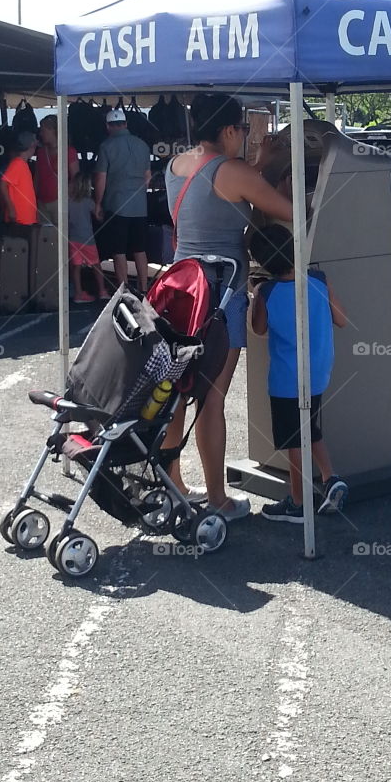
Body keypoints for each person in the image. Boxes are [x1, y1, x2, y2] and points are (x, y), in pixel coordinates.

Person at [161, 93, 294, 520]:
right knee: (211, 399)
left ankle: (174, 486)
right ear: (229, 130)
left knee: (176, 395)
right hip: (221, 297)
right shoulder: (233, 170)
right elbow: (291, 211)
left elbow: (213, 197)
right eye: (243, 130)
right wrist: (267, 165)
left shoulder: (175, 165)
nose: (246, 138)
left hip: (179, 293)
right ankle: (218, 499)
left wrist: (257, 164)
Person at [248, 224, 349, 522]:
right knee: (308, 427)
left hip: (286, 379)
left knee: (294, 439)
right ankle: (330, 478)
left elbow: (258, 329)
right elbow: (342, 319)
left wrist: (255, 294)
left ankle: (298, 501)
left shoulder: (267, 291)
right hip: (318, 371)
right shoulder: (319, 280)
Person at [93, 109, 151, 290]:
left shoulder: (106, 146)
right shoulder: (143, 145)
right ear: (126, 124)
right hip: (140, 206)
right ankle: (144, 288)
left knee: (119, 251)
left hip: (116, 205)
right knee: (140, 250)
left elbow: (101, 178)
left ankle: (124, 290)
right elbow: (147, 177)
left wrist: (98, 203)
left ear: (108, 126)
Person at [68, 173, 108, 303]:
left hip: (73, 238)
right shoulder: (89, 202)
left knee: (76, 266)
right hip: (87, 238)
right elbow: (99, 216)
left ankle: (78, 293)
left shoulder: (68, 201)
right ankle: (102, 290)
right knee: (96, 265)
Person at [35, 115, 80, 227]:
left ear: (52, 130)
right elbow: (37, 176)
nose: (41, 134)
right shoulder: (40, 152)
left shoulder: (69, 151)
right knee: (45, 234)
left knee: (61, 233)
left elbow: (76, 178)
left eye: (43, 130)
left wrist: (68, 198)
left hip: (60, 202)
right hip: (42, 202)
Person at [0, 131, 38, 226]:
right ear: (31, 146)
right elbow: (2, 184)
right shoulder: (17, 164)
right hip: (20, 219)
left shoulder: (22, 164)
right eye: (35, 147)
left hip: (25, 218)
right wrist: (11, 208)